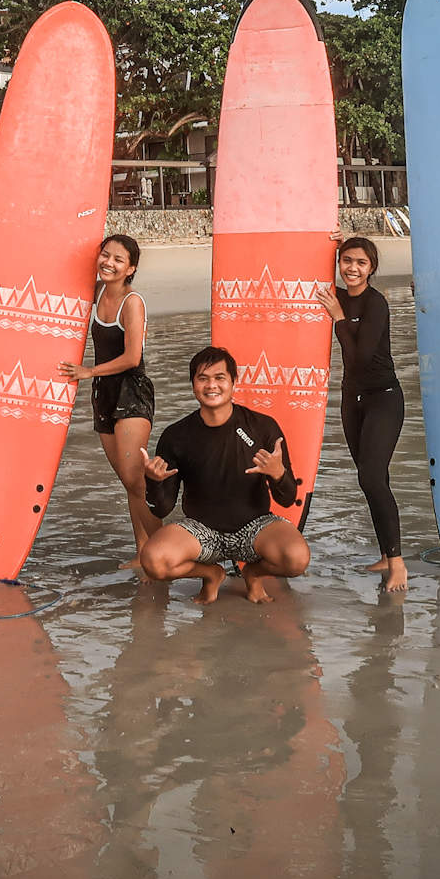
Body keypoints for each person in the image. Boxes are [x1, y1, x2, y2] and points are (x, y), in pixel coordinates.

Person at [138, 346, 310, 604]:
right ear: (193, 384)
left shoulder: (262, 426)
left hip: (254, 527)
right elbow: (161, 510)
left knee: (297, 559)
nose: (211, 386)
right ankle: (211, 574)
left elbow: (287, 499)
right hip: (201, 531)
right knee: (153, 562)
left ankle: (253, 573)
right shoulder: (176, 436)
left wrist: (278, 474)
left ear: (233, 382)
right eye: (203, 378)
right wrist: (153, 483)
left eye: (220, 378)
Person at [60, 234, 161, 571]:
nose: (109, 263)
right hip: (102, 394)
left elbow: (133, 357)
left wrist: (88, 371)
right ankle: (142, 551)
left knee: (135, 480)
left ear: (130, 268)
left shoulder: (132, 302)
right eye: (105, 255)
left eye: (118, 259)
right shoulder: (96, 292)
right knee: (128, 481)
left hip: (131, 392)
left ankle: (163, 551)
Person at [314, 236, 408, 592]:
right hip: (351, 401)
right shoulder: (332, 293)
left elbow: (360, 358)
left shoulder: (376, 304)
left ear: (372, 268)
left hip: (383, 398)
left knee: (371, 478)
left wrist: (339, 318)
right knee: (371, 479)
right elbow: (306, 268)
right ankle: (387, 552)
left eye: (361, 263)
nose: (352, 268)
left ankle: (397, 564)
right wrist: (326, 236)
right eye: (346, 260)